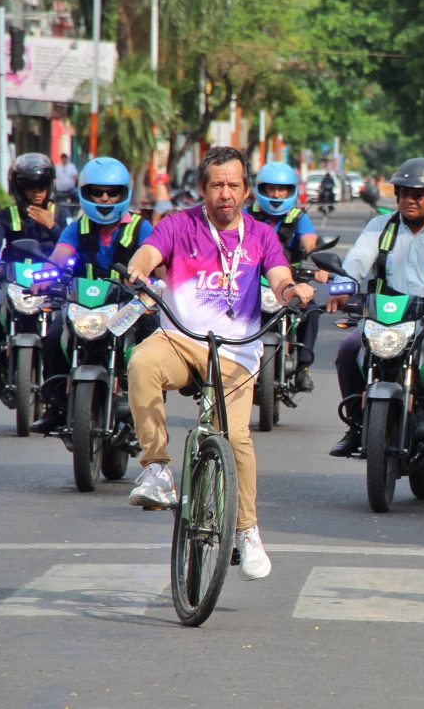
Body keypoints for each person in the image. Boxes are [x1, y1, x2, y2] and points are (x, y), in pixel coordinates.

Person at [123, 146, 316, 581]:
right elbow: (148, 255)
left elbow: (281, 277)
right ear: (202, 189)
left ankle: (247, 531)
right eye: (216, 185)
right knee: (141, 363)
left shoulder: (262, 236)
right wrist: (139, 271)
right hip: (179, 340)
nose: (224, 193)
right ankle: (156, 468)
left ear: (246, 191)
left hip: (236, 351)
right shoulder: (178, 224)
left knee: (238, 438)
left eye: (233, 184)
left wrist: (293, 293)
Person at [328, 157, 424, 462]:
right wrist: (341, 289)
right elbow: (355, 262)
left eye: (418, 195)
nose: (409, 200)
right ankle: (357, 427)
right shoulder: (379, 226)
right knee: (348, 350)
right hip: (384, 318)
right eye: (404, 193)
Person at [30, 157, 156, 434]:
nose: (105, 198)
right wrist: (45, 275)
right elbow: (59, 255)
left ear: (124, 193)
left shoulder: (140, 227)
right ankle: (55, 407)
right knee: (52, 336)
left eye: (113, 193)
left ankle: (147, 407)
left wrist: (157, 283)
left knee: (154, 337)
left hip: (127, 308)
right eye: (96, 192)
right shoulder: (77, 227)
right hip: (83, 306)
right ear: (84, 193)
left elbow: (157, 260)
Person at [0, 153, 69, 397]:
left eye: (41, 186)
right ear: (19, 188)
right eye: (30, 186)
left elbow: (73, 246)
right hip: (14, 281)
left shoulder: (60, 215)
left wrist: (52, 225)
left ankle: (60, 384)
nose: (37, 192)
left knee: (65, 324)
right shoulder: (7, 216)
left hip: (49, 285)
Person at [247, 161, 328, 392]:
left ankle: (302, 366)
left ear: (291, 191)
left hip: (289, 282)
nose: (276, 194)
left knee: (311, 309)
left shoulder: (298, 217)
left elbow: (310, 243)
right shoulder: (246, 215)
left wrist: (317, 262)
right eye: (270, 189)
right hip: (251, 281)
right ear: (260, 190)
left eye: (282, 189)